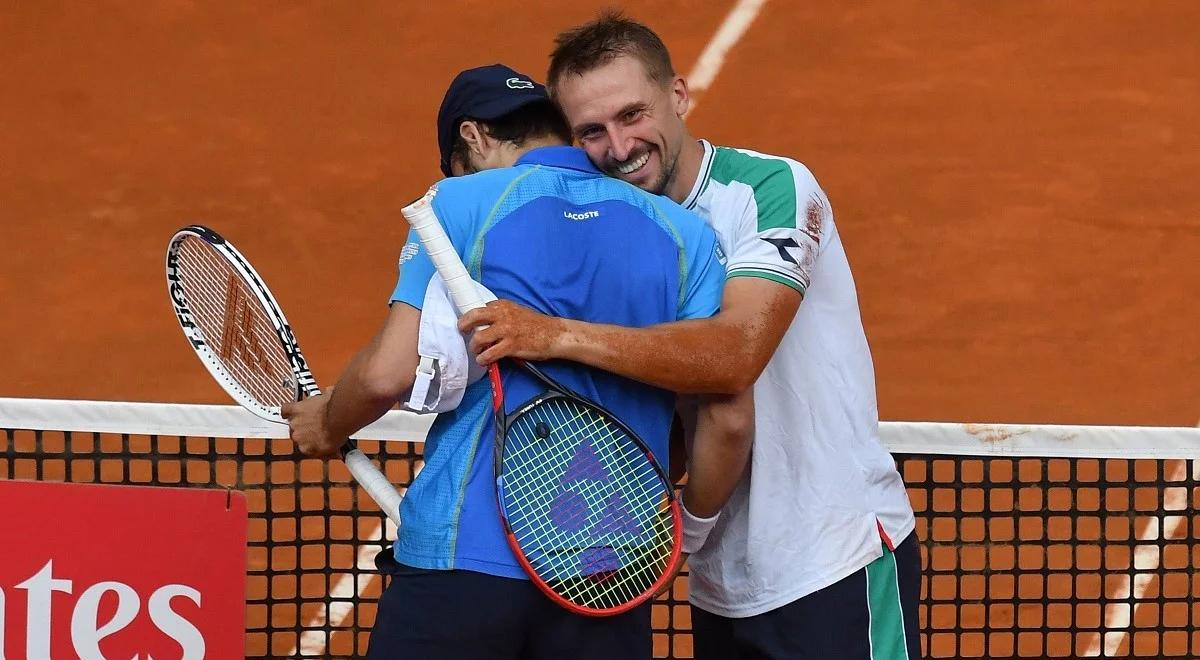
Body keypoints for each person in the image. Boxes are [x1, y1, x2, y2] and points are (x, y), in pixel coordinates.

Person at [457, 14, 922, 660]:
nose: (618, 147)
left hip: (832, 563)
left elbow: (733, 358)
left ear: (677, 97)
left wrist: (555, 335)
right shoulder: (611, 231)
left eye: (632, 115)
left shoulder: (768, 191)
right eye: (592, 131)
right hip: (721, 588)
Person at [283, 63, 751, 660]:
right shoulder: (688, 235)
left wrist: (328, 423)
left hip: (460, 563)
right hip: (610, 570)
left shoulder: (457, 204)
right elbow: (724, 420)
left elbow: (384, 375)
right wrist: (679, 523)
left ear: (471, 140)